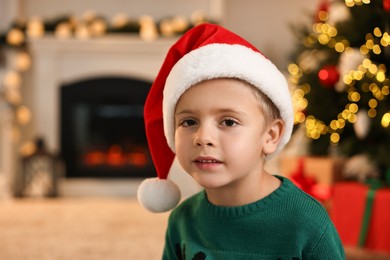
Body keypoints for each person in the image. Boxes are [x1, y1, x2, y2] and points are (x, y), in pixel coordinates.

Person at [137, 23, 345, 259]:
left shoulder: (306, 223)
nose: (203, 137)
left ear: (270, 136)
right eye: (189, 122)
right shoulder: (182, 221)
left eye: (228, 122)